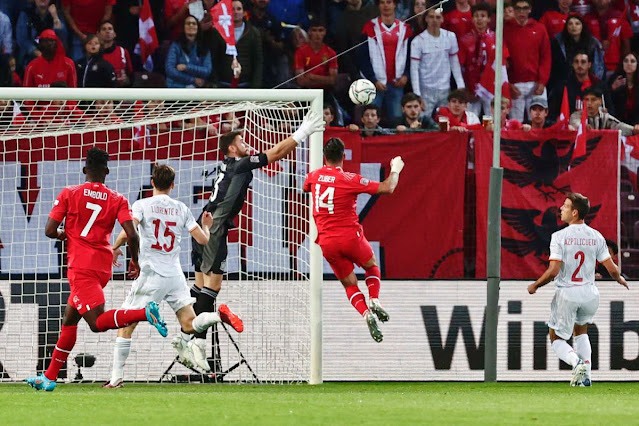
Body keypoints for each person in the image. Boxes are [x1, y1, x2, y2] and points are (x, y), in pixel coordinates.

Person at [189, 112, 324, 369]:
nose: (246, 144)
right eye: (242, 141)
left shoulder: (228, 166)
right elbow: (274, 154)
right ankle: (197, 347)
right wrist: (302, 132)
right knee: (211, 289)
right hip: (214, 227)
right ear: (231, 148)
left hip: (203, 224)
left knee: (199, 289)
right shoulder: (239, 163)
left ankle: (187, 337)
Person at [26, 147, 168, 392]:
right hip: (102, 267)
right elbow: (132, 234)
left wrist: (66, 235)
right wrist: (134, 261)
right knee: (69, 321)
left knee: (96, 323)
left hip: (80, 267)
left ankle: (144, 313)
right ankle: (49, 378)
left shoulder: (70, 193)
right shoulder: (117, 199)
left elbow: (50, 230)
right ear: (107, 171)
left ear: (84, 170)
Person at [104, 165, 244, 386]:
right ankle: (218, 316)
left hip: (152, 274)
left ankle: (115, 379)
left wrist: (114, 247)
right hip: (175, 276)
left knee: (126, 325)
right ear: (172, 185)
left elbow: (129, 229)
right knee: (189, 324)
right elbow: (203, 240)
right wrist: (207, 226)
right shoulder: (181, 208)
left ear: (152, 183)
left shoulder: (142, 204)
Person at [303, 138, 404, 342]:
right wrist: (396, 169)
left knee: (349, 284)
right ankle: (374, 299)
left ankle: (366, 314)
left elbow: (307, 188)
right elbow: (388, 188)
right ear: (343, 156)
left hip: (327, 242)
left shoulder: (312, 177)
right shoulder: (350, 179)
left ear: (324, 156)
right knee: (372, 267)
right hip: (350, 237)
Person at [527, 193, 628, 386]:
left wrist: (536, 285)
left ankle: (577, 362)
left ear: (574, 212)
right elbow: (612, 268)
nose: (561, 209)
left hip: (568, 292)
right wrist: (620, 279)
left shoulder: (559, 237)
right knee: (581, 332)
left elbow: (554, 270)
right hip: (590, 293)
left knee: (555, 337)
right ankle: (585, 377)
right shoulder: (596, 236)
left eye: (565, 207)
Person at [360, 0, 411, 126]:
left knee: (397, 119)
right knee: (370, 119)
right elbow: (362, 57)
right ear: (378, 6)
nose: (386, 5)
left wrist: (406, 75)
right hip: (375, 83)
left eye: (389, 2)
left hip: (397, 82)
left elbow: (410, 55)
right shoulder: (369, 27)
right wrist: (372, 79)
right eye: (382, 2)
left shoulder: (405, 28)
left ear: (395, 4)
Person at [410, 8, 465, 118]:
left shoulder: (450, 37)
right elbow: (414, 69)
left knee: (446, 121)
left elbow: (454, 62)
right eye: (431, 17)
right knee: (423, 121)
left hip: (445, 89)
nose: (434, 20)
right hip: (426, 90)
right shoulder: (418, 41)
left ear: (442, 19)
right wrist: (417, 94)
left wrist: (460, 84)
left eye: (438, 17)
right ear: (426, 19)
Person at [504, 0, 551, 122]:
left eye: (525, 8)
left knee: (538, 122)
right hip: (515, 85)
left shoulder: (540, 29)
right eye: (518, 9)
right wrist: (507, 84)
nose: (521, 12)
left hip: (536, 84)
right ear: (513, 10)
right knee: (515, 124)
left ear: (530, 9)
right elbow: (501, 60)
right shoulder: (505, 30)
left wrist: (542, 82)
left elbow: (546, 57)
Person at [211, 0, 263, 88]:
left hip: (246, 85)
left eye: (238, 9)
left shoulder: (253, 32)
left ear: (244, 13)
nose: (235, 12)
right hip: (223, 85)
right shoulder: (219, 32)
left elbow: (258, 61)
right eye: (232, 9)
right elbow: (214, 59)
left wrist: (255, 86)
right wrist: (215, 83)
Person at [549, 15, 605, 92]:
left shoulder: (592, 43)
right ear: (566, 26)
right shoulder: (557, 42)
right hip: (563, 83)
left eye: (577, 23)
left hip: (588, 83)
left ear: (582, 26)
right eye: (570, 24)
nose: (573, 26)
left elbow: (598, 66)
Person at [16, 0, 67, 68]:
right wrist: (38, 54)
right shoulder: (26, 13)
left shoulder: (57, 13)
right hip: (30, 58)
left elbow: (62, 39)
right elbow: (22, 39)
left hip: (53, 58)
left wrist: (55, 17)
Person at [165, 15, 212, 88]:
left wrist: (186, 67)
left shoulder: (204, 47)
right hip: (176, 89)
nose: (191, 25)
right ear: (183, 27)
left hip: (197, 91)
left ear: (198, 27)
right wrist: (192, 79)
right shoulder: (176, 45)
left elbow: (207, 71)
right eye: (188, 23)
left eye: (194, 23)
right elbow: (170, 70)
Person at [569, 86, 639, 134]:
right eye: (586, 100)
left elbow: (618, 126)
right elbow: (575, 123)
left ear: (600, 101)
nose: (589, 103)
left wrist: (633, 129)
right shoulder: (576, 116)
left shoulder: (605, 118)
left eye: (593, 100)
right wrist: (583, 127)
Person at [97, 20, 133, 87]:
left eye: (110, 29)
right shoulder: (95, 53)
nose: (107, 31)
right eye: (104, 29)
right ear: (98, 34)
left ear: (114, 34)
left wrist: (126, 80)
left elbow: (130, 74)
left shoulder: (123, 51)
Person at [609, 52, 639, 125]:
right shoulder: (615, 80)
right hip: (619, 123)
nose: (629, 64)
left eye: (632, 61)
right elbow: (609, 104)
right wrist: (612, 88)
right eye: (626, 61)